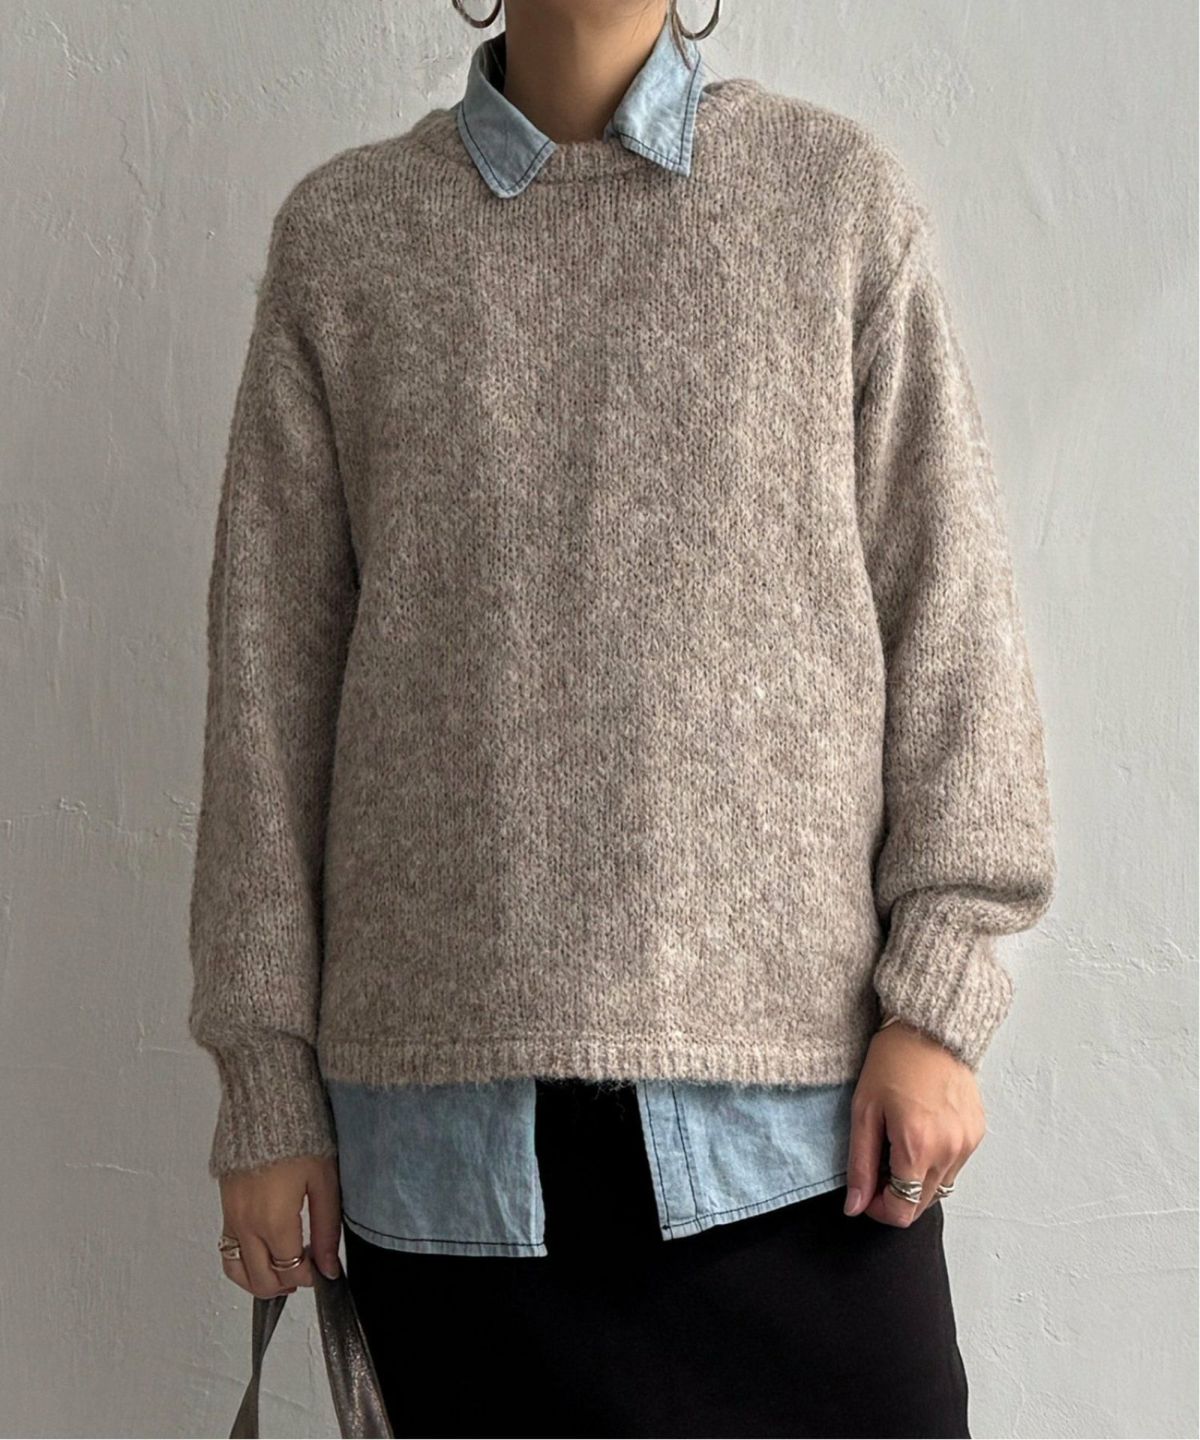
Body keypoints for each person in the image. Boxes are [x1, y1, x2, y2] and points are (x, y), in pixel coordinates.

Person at [187, 2, 1057, 1436]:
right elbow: (268, 705)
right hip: (452, 1170)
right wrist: (265, 1084)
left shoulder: (833, 202)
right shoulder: (347, 244)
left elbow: (949, 615)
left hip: (809, 1146)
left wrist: (943, 997)